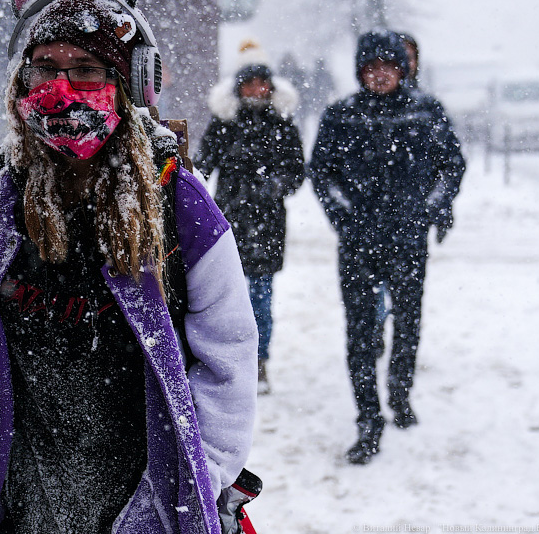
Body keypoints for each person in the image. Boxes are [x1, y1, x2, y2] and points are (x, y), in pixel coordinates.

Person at [0, 0, 258, 534]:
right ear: (21, 77)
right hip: (23, 493)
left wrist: (201, 476)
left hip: (143, 496)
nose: (61, 88)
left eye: (86, 69)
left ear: (129, 81)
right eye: (47, 68)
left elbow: (228, 350)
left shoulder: (175, 202)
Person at [309, 30, 465, 465]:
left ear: (403, 69)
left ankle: (400, 393)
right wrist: (344, 217)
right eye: (372, 68)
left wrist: (430, 209)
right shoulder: (341, 115)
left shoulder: (425, 112)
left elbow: (451, 166)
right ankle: (367, 418)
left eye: (389, 67)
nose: (380, 76)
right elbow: (322, 172)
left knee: (408, 325)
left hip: (408, 242)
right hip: (358, 243)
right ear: (361, 71)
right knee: (360, 333)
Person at [196, 60, 305, 395]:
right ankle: (228, 360)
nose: (257, 91)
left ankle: (259, 360)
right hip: (228, 221)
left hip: (268, 223)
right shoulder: (224, 123)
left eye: (262, 84)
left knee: (261, 296)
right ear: (238, 88)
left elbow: (297, 170)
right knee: (224, 296)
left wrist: (273, 187)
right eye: (250, 84)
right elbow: (202, 164)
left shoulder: (282, 123)